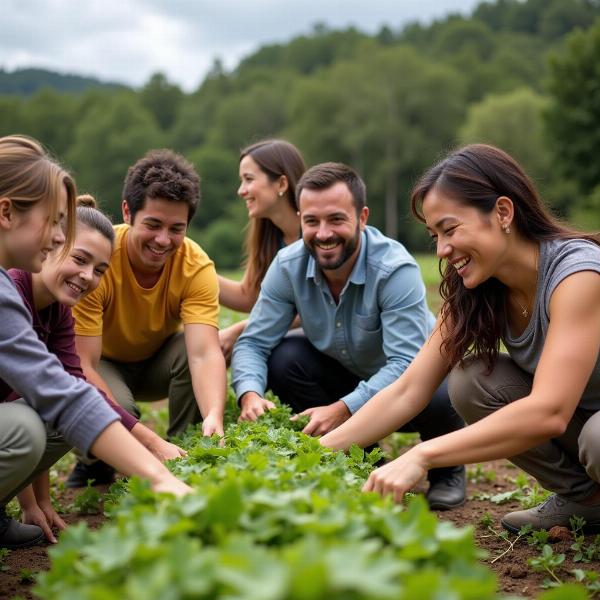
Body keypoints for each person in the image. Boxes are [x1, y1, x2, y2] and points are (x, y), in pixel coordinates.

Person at [320, 144, 600, 533]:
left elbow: (549, 412)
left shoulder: (577, 276)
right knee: (473, 380)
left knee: (597, 439)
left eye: (450, 229)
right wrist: (314, 454)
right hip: (583, 420)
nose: (442, 249)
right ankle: (586, 502)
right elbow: (408, 390)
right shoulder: (477, 286)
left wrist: (423, 455)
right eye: (435, 234)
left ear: (503, 212)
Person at [232, 162, 466, 509]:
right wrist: (249, 394)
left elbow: (407, 363)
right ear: (300, 219)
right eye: (311, 221)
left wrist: (344, 408)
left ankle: (446, 470)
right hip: (346, 375)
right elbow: (254, 341)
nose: (323, 233)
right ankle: (364, 458)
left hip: (411, 390)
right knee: (285, 358)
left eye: (336, 219)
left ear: (362, 217)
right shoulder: (287, 265)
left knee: (443, 389)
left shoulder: (393, 268)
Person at [0, 135, 190, 549]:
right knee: (24, 429)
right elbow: (52, 393)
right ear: (7, 213)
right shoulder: (9, 292)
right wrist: (157, 472)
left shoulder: (55, 309)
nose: (55, 237)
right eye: (54, 223)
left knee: (38, 419)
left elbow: (67, 388)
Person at [70, 149, 226, 487]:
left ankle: (186, 452)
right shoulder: (98, 259)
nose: (163, 240)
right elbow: (82, 366)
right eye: (153, 225)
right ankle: (95, 459)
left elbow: (203, 353)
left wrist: (214, 413)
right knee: (120, 408)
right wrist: (145, 440)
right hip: (103, 363)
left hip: (156, 360)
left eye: (176, 228)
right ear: (128, 212)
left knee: (188, 348)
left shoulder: (195, 264)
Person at [218, 139, 306, 362]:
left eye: (248, 179)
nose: (241, 191)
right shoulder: (269, 234)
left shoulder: (319, 233)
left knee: (278, 352)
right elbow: (249, 296)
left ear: (281, 184)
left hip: (329, 341)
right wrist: (190, 268)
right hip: (294, 337)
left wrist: (239, 330)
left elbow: (313, 311)